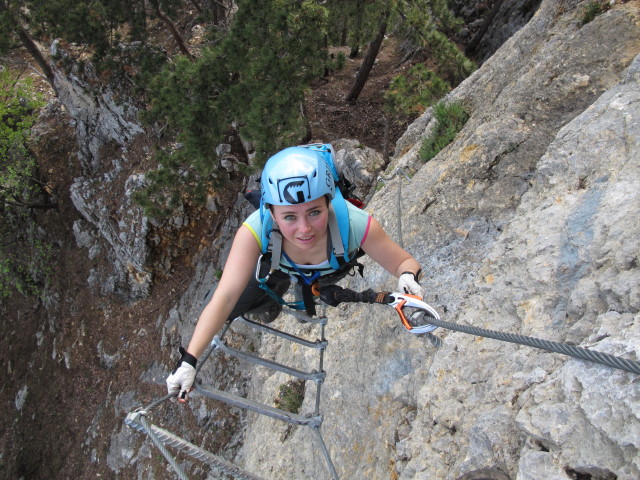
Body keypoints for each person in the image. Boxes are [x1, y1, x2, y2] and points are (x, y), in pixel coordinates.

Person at [167, 144, 424, 401]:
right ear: (271, 213)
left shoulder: (354, 223)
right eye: (289, 217)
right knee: (229, 305)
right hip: (279, 266)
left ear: (329, 202)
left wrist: (407, 277)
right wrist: (189, 360)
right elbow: (225, 297)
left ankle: (301, 297)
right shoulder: (256, 229)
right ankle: (272, 303)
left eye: (314, 212)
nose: (304, 229)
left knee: (309, 289)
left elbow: (403, 262)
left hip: (328, 272)